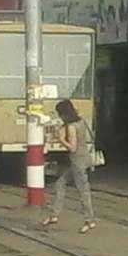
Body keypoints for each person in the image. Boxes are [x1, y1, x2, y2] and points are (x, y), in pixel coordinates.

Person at [41, 99, 97, 234]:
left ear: (63, 113)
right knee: (60, 184)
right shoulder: (81, 121)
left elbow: (72, 147)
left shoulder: (71, 127)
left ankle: (89, 220)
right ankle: (54, 215)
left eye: (59, 114)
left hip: (78, 162)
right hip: (84, 158)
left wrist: (61, 140)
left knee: (83, 191)